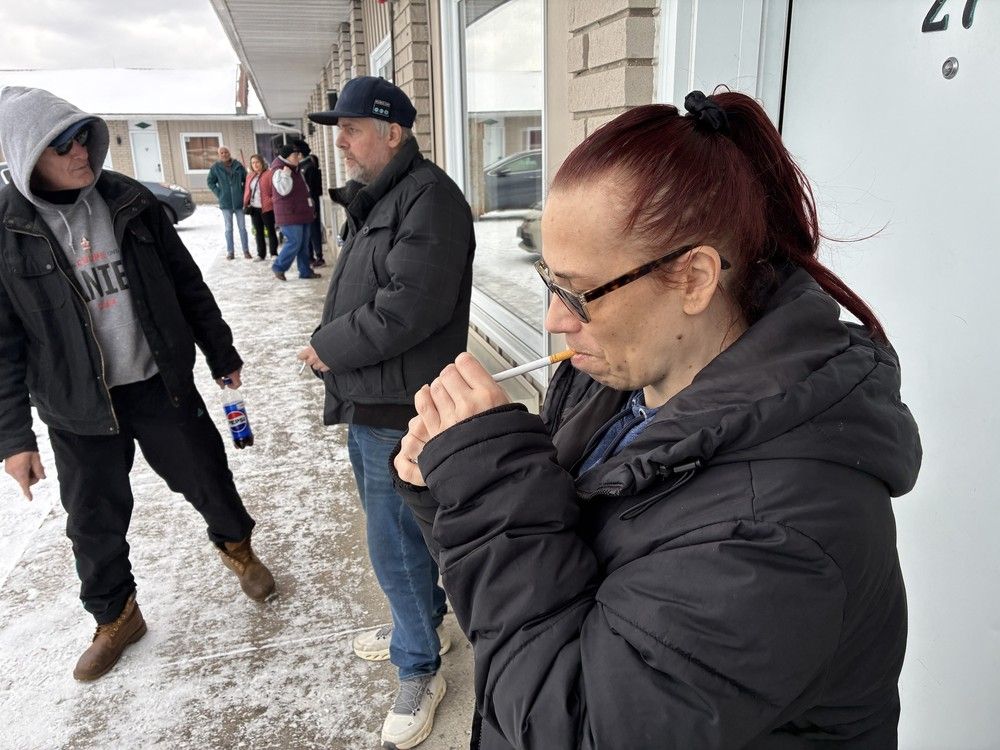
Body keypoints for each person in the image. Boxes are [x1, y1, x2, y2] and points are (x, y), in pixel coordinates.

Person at [392, 90, 921, 749]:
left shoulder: (787, 527)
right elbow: (531, 602)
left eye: (579, 292)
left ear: (694, 278)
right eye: (548, 280)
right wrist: (452, 492)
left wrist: (487, 483)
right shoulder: (606, 382)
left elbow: (568, 724)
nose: (556, 319)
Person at [0, 87, 276, 682]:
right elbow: (3, 343)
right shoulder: (7, 230)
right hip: (77, 406)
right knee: (92, 519)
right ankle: (116, 616)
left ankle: (238, 549)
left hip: (158, 384)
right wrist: (14, 439)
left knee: (207, 477)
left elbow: (185, 281)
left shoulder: (128, 199)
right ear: (27, 156)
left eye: (83, 136)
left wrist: (220, 350)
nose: (81, 151)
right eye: (62, 145)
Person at [298, 76, 475, 749]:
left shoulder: (430, 200)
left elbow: (408, 307)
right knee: (396, 531)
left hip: (400, 403)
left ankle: (419, 665)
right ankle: (420, 622)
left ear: (392, 131)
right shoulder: (387, 196)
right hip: (372, 393)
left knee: (393, 540)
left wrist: (326, 347)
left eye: (350, 128)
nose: (338, 141)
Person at [270, 143, 321, 281]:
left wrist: (311, 207)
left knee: (304, 244)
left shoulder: (296, 168)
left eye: (298, 154)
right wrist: (286, 174)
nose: (298, 157)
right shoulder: (279, 170)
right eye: (295, 155)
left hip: (302, 213)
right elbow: (283, 190)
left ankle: (305, 271)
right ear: (287, 157)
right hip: (289, 214)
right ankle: (279, 267)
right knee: (294, 242)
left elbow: (305, 190)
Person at [207, 145, 250, 260]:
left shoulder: (238, 165)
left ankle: (246, 251)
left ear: (229, 153)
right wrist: (219, 193)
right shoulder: (215, 168)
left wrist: (243, 193)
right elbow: (210, 182)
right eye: (222, 153)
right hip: (226, 203)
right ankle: (230, 252)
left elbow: (246, 181)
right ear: (219, 155)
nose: (224, 154)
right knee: (228, 228)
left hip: (239, 202)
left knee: (242, 228)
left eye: (226, 152)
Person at [291, 138, 325, 267]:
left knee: (314, 229)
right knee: (307, 231)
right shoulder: (300, 167)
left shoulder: (309, 167)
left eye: (295, 154)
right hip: (303, 204)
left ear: (300, 154)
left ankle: (319, 256)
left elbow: (312, 189)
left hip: (311, 202)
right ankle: (310, 256)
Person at [243, 153, 278, 260]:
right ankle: (260, 254)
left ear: (262, 162)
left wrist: (271, 200)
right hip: (254, 208)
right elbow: (247, 190)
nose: (255, 164)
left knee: (271, 230)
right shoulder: (250, 176)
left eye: (257, 162)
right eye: (253, 163)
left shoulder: (269, 174)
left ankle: (273, 253)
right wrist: (246, 202)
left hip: (267, 207)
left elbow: (275, 190)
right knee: (258, 232)